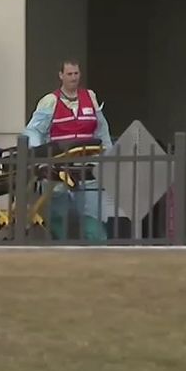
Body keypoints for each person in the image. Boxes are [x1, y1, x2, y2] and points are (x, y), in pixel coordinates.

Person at [23, 59, 113, 241]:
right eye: (69, 74)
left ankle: (98, 250)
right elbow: (33, 131)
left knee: (92, 216)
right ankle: (63, 249)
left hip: (88, 167)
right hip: (58, 169)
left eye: (76, 73)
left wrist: (109, 156)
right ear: (61, 75)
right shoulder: (50, 101)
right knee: (59, 217)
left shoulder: (90, 97)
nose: (73, 77)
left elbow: (102, 130)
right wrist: (39, 156)